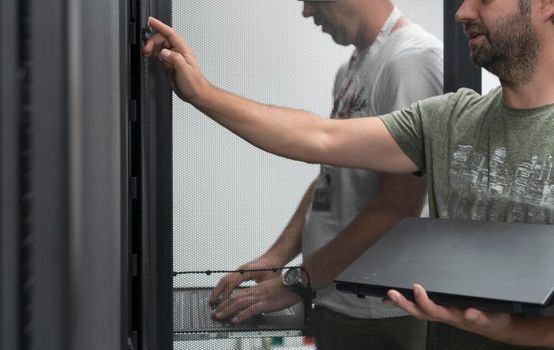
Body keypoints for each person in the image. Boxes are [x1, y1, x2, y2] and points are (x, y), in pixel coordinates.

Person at [143, 0, 554, 348]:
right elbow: (319, 138)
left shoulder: (412, 60)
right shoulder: (450, 118)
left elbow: (394, 205)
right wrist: (202, 93)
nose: (462, 11)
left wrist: (512, 329)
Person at [185, 1, 441, 349]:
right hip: (335, 300)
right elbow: (331, 177)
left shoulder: (410, 62)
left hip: (384, 315)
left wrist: (298, 281)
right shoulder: (354, 67)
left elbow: (398, 207)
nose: (306, 12)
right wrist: (278, 257)